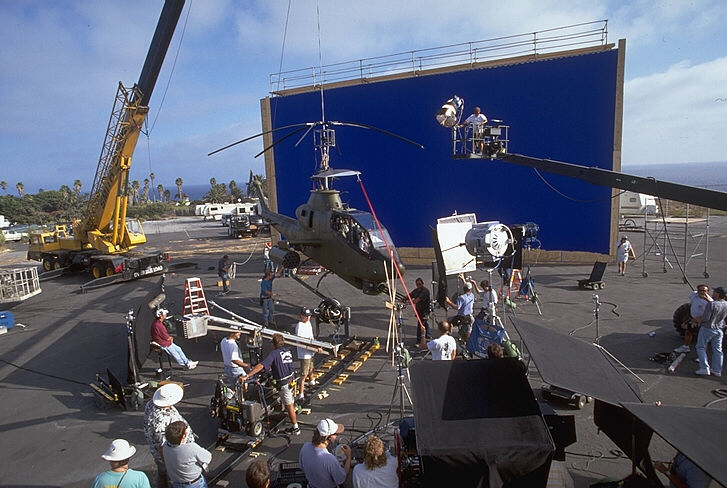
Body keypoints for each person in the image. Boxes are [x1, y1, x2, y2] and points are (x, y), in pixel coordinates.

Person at [243, 333, 300, 435]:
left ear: (273, 344)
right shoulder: (287, 351)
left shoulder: (274, 354)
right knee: (289, 401)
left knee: (289, 406)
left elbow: (261, 365)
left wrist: (248, 375)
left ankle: (295, 428)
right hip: (291, 379)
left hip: (284, 383)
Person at [144, 384, 196, 487]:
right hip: (172, 456)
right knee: (169, 476)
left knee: (163, 474)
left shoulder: (150, 404)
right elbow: (161, 446)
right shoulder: (161, 420)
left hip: (168, 452)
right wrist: (169, 464)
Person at [299, 418, 351, 488]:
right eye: (335, 434)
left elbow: (302, 467)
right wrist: (348, 456)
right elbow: (341, 479)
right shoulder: (329, 459)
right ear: (327, 437)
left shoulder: (305, 447)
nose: (336, 436)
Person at [163, 420, 212, 488]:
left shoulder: (165, 446)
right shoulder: (191, 448)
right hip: (194, 484)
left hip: (176, 484)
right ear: (183, 436)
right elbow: (208, 457)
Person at [695, 286, 727, 377]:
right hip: (719, 329)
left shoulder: (712, 304)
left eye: (714, 291)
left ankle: (704, 368)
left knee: (700, 347)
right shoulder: (726, 304)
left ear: (718, 294)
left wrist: (696, 320)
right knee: (718, 350)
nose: (713, 293)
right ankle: (717, 370)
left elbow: (705, 318)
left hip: (708, 328)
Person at [674, 284, 712, 354]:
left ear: (707, 291)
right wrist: (687, 319)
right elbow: (691, 305)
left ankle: (702, 355)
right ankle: (685, 347)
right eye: (700, 290)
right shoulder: (694, 295)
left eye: (704, 290)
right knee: (688, 332)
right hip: (693, 319)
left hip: (702, 321)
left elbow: (711, 313)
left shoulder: (709, 302)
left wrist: (700, 319)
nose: (701, 292)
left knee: (702, 337)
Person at [296, 307, 321, 401]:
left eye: (309, 316)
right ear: (301, 316)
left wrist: (316, 345)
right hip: (304, 353)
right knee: (304, 374)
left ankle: (311, 381)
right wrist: (315, 346)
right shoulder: (300, 326)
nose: (308, 318)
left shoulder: (308, 323)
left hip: (310, 351)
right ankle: (301, 394)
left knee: (311, 368)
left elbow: (311, 337)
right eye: (306, 316)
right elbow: (302, 341)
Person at [408, 278, 431, 348]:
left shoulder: (425, 291)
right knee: (424, 323)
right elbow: (410, 295)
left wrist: (410, 302)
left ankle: (419, 341)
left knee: (420, 325)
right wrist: (404, 298)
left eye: (420, 284)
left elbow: (417, 300)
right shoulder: (416, 291)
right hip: (419, 311)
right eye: (417, 284)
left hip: (425, 311)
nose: (418, 286)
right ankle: (428, 335)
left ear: (422, 284)